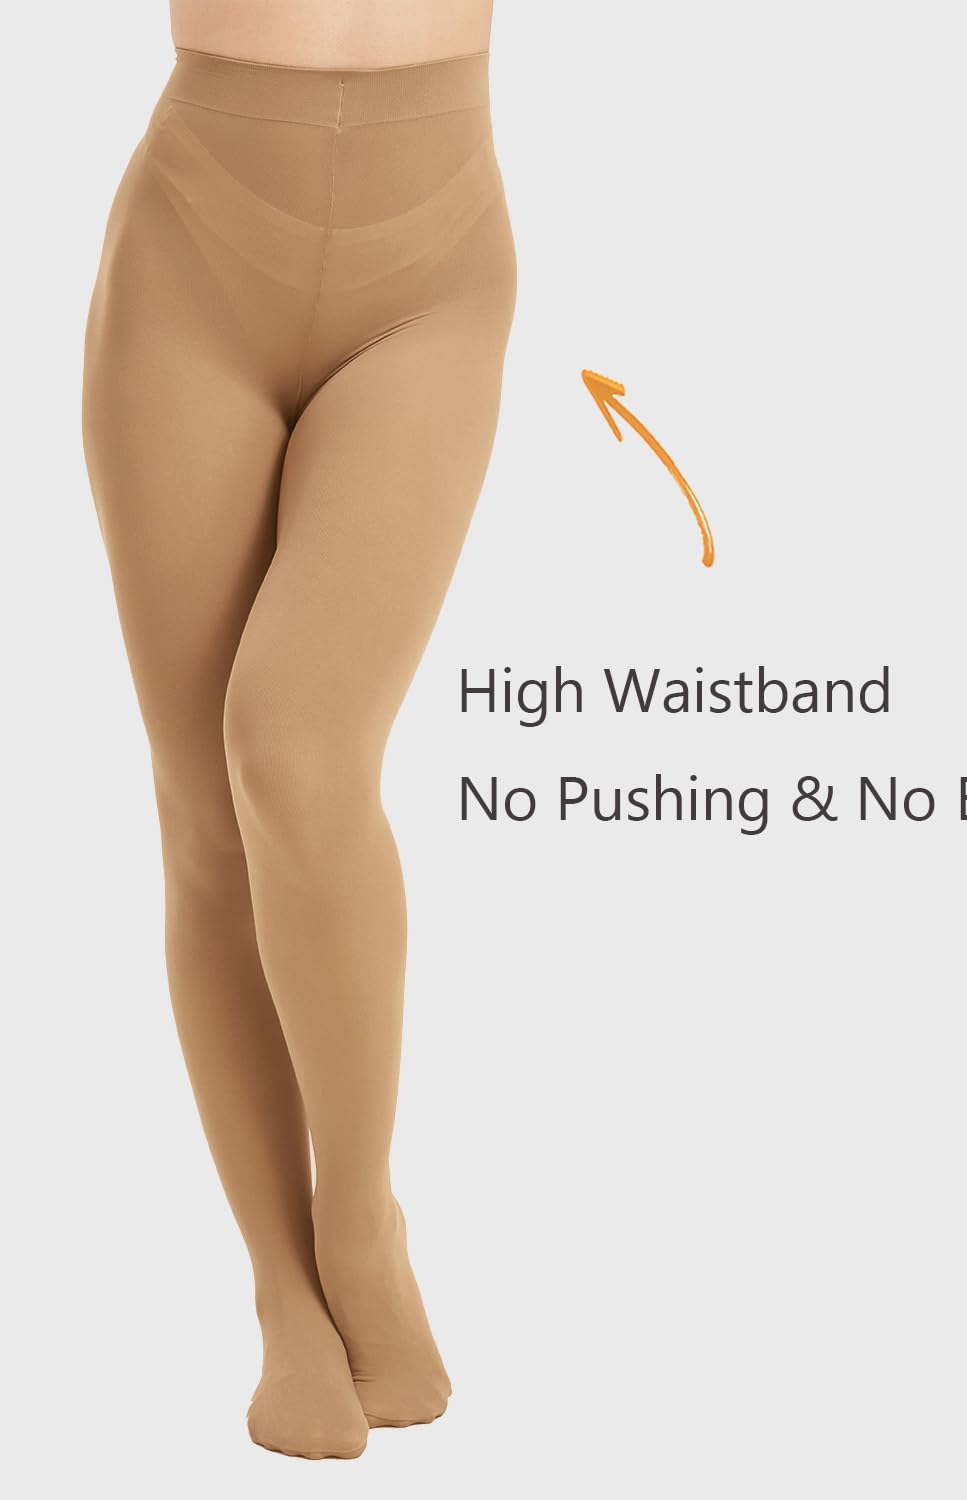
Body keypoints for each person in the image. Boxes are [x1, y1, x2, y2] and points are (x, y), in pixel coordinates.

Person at [81, 0, 513, 1461]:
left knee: (296, 748)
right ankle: (280, 1288)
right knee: (205, 810)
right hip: (195, 246)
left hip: (430, 266)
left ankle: (359, 1222)